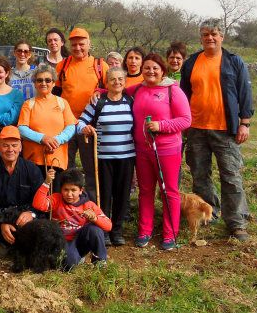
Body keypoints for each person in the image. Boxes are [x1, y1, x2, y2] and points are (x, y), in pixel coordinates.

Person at [180, 19, 253, 241]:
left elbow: (244, 93)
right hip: (196, 129)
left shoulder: (234, 62)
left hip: (225, 129)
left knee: (231, 176)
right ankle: (209, 213)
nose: (209, 38)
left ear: (222, 36)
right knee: (200, 176)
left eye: (214, 34)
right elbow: (183, 95)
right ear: (200, 38)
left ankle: (237, 222)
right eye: (205, 34)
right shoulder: (192, 62)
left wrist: (245, 123)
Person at [128, 53, 191, 250]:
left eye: (155, 68)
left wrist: (161, 125)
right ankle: (144, 230)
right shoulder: (138, 89)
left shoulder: (172, 90)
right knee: (145, 191)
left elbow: (185, 120)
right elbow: (117, 89)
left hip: (167, 150)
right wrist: (100, 90)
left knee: (168, 191)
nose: (150, 71)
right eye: (146, 68)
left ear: (162, 70)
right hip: (142, 149)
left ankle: (170, 233)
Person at [76, 67, 135, 246]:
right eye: (112, 79)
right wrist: (85, 128)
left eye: (120, 79)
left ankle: (117, 230)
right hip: (103, 158)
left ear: (124, 82)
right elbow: (80, 122)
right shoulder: (98, 102)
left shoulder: (130, 101)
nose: (117, 82)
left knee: (122, 194)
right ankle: (104, 229)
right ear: (106, 83)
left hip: (127, 156)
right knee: (105, 195)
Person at [53, 28, 108, 201]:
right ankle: (66, 205)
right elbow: (56, 91)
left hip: (90, 126)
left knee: (91, 168)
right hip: (66, 125)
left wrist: (100, 90)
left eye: (81, 44)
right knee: (66, 167)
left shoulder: (100, 65)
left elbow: (111, 90)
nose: (77, 48)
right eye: (74, 44)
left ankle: (91, 204)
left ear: (89, 43)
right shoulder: (63, 65)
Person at [32, 168, 112, 270]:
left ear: (81, 190)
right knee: (70, 266)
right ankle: (75, 258)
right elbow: (38, 204)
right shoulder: (56, 199)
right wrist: (46, 183)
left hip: (80, 241)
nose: (69, 194)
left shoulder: (88, 205)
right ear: (61, 189)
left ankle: (100, 262)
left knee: (95, 229)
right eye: (66, 190)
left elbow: (108, 226)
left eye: (73, 190)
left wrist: (95, 218)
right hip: (62, 242)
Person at [0, 126, 44, 252]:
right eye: (5, 145)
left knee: (38, 226)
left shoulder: (32, 169)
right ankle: (6, 240)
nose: (10, 149)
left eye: (14, 145)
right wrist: (3, 222)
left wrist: (31, 214)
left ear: (20, 148)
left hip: (25, 217)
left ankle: (16, 245)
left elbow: (41, 199)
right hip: (3, 214)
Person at [18, 65, 76, 189]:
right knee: (36, 197)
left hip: (57, 160)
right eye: (39, 80)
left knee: (55, 198)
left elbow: (71, 127)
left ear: (54, 83)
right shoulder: (28, 104)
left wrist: (56, 141)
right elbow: (22, 129)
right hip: (34, 161)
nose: (43, 83)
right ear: (34, 83)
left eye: (47, 80)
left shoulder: (62, 102)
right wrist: (43, 138)